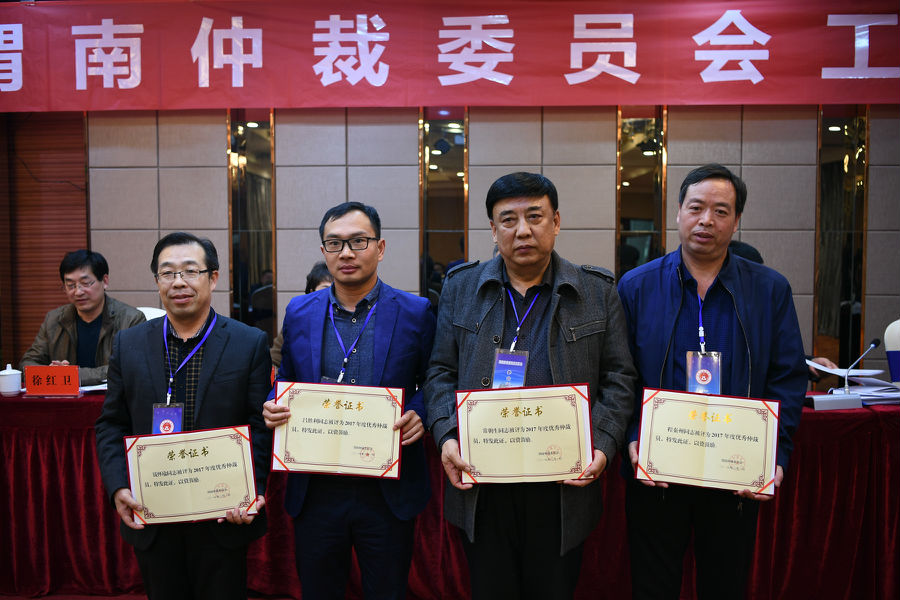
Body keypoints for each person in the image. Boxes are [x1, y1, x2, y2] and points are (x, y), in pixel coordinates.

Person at [424, 172, 637, 599]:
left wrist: (602, 445)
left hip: (560, 487)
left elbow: (620, 378)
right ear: (493, 229)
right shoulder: (461, 288)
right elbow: (440, 371)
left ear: (556, 222)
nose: (522, 230)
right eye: (509, 219)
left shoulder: (596, 291)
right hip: (483, 484)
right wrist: (446, 435)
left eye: (535, 217)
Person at [617, 164, 808, 599]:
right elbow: (620, 374)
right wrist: (632, 435)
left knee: (726, 585)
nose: (706, 220)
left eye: (721, 211)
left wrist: (775, 453)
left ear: (736, 221)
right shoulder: (636, 287)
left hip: (734, 472)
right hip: (657, 472)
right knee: (652, 587)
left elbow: (787, 377)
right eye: (696, 208)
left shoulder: (770, 289)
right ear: (678, 212)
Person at [262, 202, 435, 599]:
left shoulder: (415, 311)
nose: (346, 253)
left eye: (358, 241)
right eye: (334, 243)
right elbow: (287, 376)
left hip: (386, 488)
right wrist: (274, 400)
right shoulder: (300, 310)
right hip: (316, 487)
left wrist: (421, 412)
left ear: (380, 247)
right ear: (323, 250)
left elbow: (434, 378)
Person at [95, 232, 272, 600]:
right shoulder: (129, 344)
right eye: (167, 273)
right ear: (157, 280)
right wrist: (118, 487)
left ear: (213, 277)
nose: (178, 282)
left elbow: (259, 426)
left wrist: (250, 491)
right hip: (154, 514)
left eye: (191, 271)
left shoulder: (248, 342)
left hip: (222, 515)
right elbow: (111, 423)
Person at [20, 249, 145, 385]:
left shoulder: (131, 319)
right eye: (70, 285)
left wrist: (71, 375)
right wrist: (51, 373)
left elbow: (131, 366)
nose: (78, 292)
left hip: (112, 396)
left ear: (104, 281)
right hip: (64, 397)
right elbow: (27, 363)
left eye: (85, 283)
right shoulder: (54, 320)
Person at [270, 261, 333, 368]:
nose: (331, 293)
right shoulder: (297, 320)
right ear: (312, 291)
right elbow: (275, 359)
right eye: (326, 288)